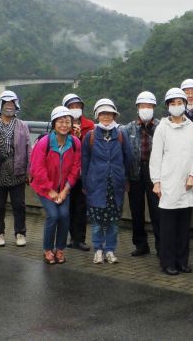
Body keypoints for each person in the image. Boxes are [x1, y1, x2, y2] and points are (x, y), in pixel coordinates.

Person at [150, 88, 193, 275]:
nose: (176, 106)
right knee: (168, 228)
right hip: (168, 184)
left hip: (187, 185)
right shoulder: (162, 128)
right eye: (172, 103)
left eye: (179, 103)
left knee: (183, 227)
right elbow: (155, 157)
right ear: (167, 106)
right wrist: (156, 182)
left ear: (184, 104)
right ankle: (168, 262)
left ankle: (183, 261)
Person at [82, 98, 132, 265]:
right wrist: (85, 184)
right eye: (102, 113)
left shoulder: (121, 134)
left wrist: (125, 179)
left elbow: (128, 158)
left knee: (113, 223)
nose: (106, 117)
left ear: (114, 115)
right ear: (97, 115)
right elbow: (85, 162)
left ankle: (110, 250)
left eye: (109, 113)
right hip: (96, 185)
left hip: (115, 186)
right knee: (96, 223)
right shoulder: (90, 136)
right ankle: (98, 250)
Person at [30, 106, 81, 264]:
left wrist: (65, 190)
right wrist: (51, 191)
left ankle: (60, 249)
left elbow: (75, 169)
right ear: (54, 124)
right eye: (60, 121)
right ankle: (47, 249)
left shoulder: (75, 143)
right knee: (53, 215)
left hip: (63, 188)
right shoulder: (44, 143)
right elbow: (37, 170)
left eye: (67, 121)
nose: (64, 125)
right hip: (44, 187)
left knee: (65, 216)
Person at [0, 90, 31, 248]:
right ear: (0, 106)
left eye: (12, 104)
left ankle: (20, 232)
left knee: (19, 204)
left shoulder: (22, 125)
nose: (9, 107)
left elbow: (28, 148)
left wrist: (29, 170)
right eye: (6, 104)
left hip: (17, 168)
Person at [122, 91, 161, 257]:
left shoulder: (161, 127)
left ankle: (161, 245)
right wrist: (125, 178)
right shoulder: (128, 128)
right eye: (143, 106)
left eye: (149, 106)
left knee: (157, 211)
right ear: (137, 108)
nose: (146, 109)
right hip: (135, 172)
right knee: (136, 211)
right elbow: (123, 154)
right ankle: (140, 244)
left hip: (155, 174)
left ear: (154, 108)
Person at [62, 93, 95, 252]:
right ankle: (70, 237)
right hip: (66, 172)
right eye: (72, 107)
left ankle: (79, 239)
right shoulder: (61, 125)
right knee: (67, 206)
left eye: (78, 107)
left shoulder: (89, 125)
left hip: (83, 172)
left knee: (81, 207)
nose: (75, 109)